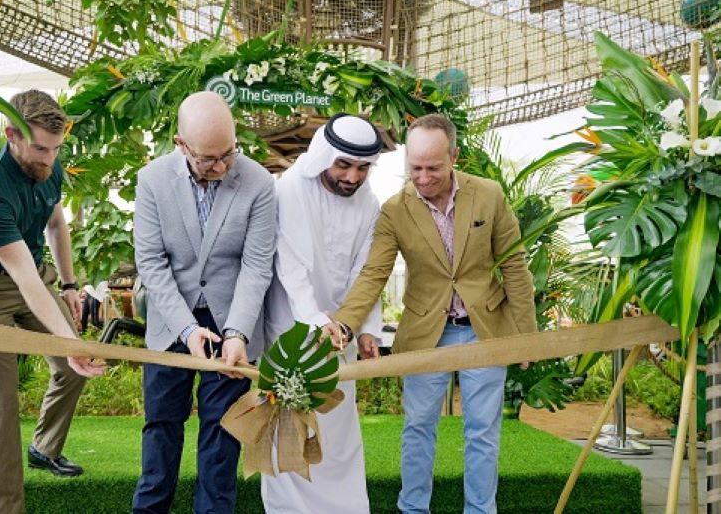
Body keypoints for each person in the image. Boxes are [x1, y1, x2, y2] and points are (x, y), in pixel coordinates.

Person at [333, 113, 537, 513]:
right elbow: (374, 273)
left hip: (485, 329)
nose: (423, 178)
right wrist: (344, 324)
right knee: (418, 429)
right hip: (426, 331)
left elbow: (514, 265)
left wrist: (527, 336)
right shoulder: (394, 210)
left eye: (433, 168)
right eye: (415, 168)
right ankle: (413, 510)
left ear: (455, 156)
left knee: (482, 433)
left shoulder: (489, 195)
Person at [0, 90, 106, 513]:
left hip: (38, 280)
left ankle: (45, 447)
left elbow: (56, 224)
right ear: (11, 135)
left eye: (57, 149)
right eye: (41, 148)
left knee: (74, 368)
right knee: (0, 409)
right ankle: (5, 509)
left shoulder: (49, 167)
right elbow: (20, 275)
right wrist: (69, 339)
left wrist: (69, 284)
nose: (49, 159)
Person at [131, 91, 276, 513]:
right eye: (209, 159)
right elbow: (152, 264)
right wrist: (187, 330)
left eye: (228, 154)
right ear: (181, 145)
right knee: (161, 429)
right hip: (169, 322)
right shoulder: (152, 180)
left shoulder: (260, 182)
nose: (222, 167)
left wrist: (237, 332)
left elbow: (256, 266)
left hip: (234, 322)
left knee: (222, 435)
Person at [261, 113, 384, 513]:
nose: (352, 176)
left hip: (340, 337)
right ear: (323, 156)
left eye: (363, 168)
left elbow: (367, 272)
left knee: (339, 435)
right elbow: (291, 266)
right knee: (289, 430)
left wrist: (365, 328)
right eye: (344, 164)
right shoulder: (292, 189)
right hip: (292, 331)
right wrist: (316, 322)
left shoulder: (370, 203)